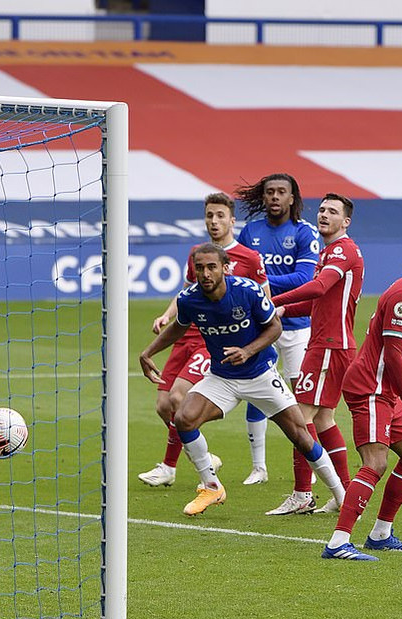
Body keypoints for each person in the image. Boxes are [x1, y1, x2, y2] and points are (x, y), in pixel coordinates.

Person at [138, 243, 344, 516]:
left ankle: (342, 496)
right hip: (221, 377)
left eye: (212, 267)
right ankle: (211, 486)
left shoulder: (247, 291)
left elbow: (274, 326)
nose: (205, 273)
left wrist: (247, 351)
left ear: (225, 268)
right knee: (183, 419)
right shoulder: (189, 299)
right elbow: (179, 327)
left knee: (301, 436)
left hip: (260, 374)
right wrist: (148, 351)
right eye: (200, 268)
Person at [322, 230, 402, 561]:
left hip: (387, 390)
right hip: (370, 387)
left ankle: (381, 534)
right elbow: (393, 357)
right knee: (375, 462)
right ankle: (338, 542)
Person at [138, 192, 270, 487]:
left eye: (220, 216)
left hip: (210, 340)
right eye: (209, 215)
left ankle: (170, 467)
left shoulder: (249, 258)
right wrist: (166, 315)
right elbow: (186, 292)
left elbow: (266, 302)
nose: (214, 221)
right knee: (163, 405)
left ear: (232, 220)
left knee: (177, 397)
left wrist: (253, 342)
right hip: (186, 333)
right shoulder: (198, 254)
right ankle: (203, 457)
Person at [268, 193, 363, 515]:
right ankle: (346, 493)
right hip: (333, 345)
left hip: (327, 347)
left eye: (332, 211)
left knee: (300, 419)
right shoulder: (332, 252)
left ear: (345, 221)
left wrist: (276, 297)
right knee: (323, 419)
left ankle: (302, 492)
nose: (324, 215)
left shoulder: (342, 251)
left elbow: (319, 288)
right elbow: (317, 302)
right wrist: (282, 308)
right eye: (322, 209)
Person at [235, 173, 320, 486]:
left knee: (302, 399)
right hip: (260, 324)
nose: (274, 197)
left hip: (296, 325)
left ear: (292, 197)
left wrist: (262, 283)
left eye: (281, 192)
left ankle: (306, 470)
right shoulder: (251, 231)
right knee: (257, 393)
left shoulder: (304, 232)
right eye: (269, 192)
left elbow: (305, 278)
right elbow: (236, 270)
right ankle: (259, 467)